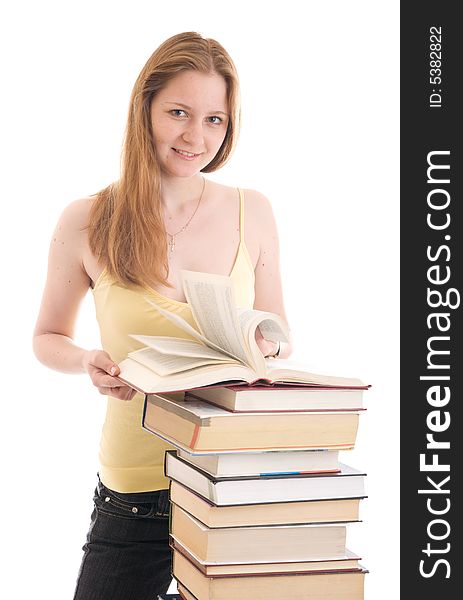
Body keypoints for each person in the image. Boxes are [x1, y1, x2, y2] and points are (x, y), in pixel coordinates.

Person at [32, 31, 292, 600]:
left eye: (214, 119)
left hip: (234, 481)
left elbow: (277, 332)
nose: (195, 136)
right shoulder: (88, 219)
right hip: (135, 492)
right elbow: (47, 336)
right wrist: (87, 362)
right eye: (178, 112)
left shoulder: (254, 210)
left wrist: (261, 348)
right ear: (143, 108)